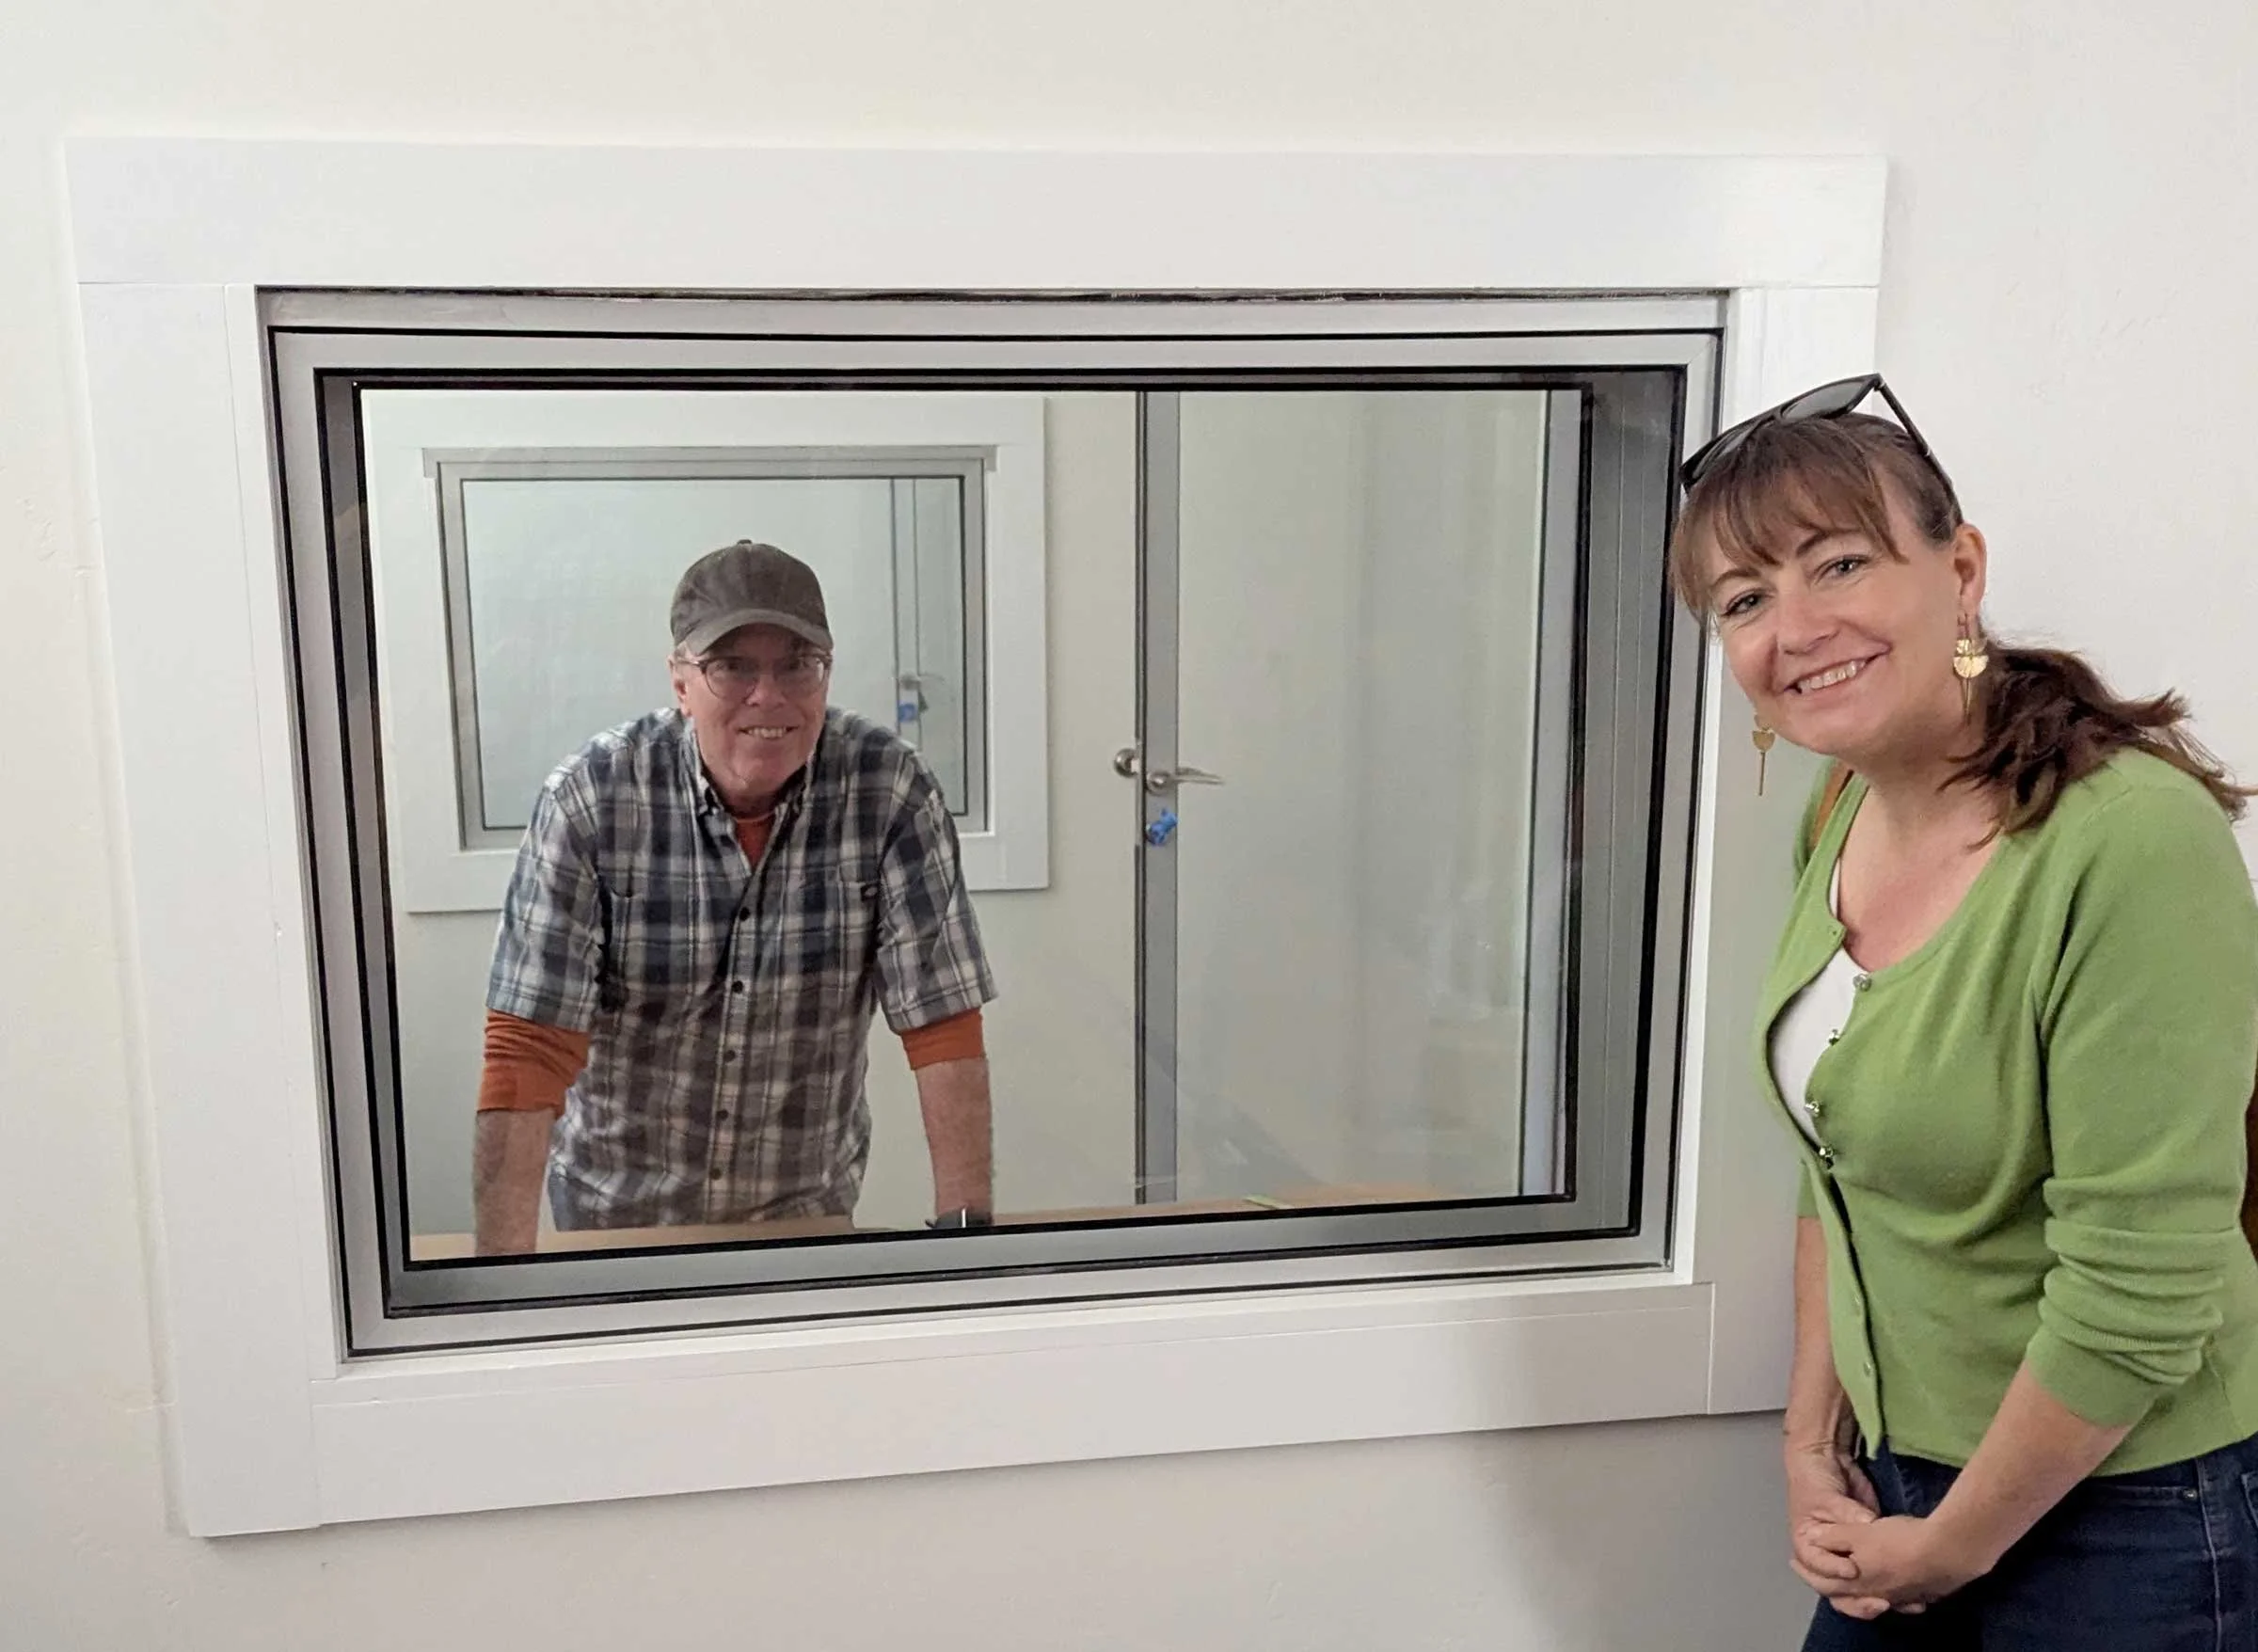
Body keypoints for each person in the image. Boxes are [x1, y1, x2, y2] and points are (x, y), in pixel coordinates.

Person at [1670, 377, 2258, 1648]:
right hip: (1904, 1484)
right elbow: (1841, 1170)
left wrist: (1954, 1546)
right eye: (1746, 599)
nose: (1797, 626)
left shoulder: (2131, 846)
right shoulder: (1841, 815)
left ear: (1963, 568)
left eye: (1838, 562)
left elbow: (2141, 1287)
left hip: (2128, 1510)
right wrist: (1808, 1436)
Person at [470, 540, 997, 1253]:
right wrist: (503, 1275)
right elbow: (528, 1045)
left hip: (805, 1214)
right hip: (614, 1218)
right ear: (681, 682)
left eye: (796, 666)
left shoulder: (891, 790)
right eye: (732, 667)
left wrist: (967, 1240)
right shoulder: (592, 798)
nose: (768, 696)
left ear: (827, 673)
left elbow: (943, 1025)